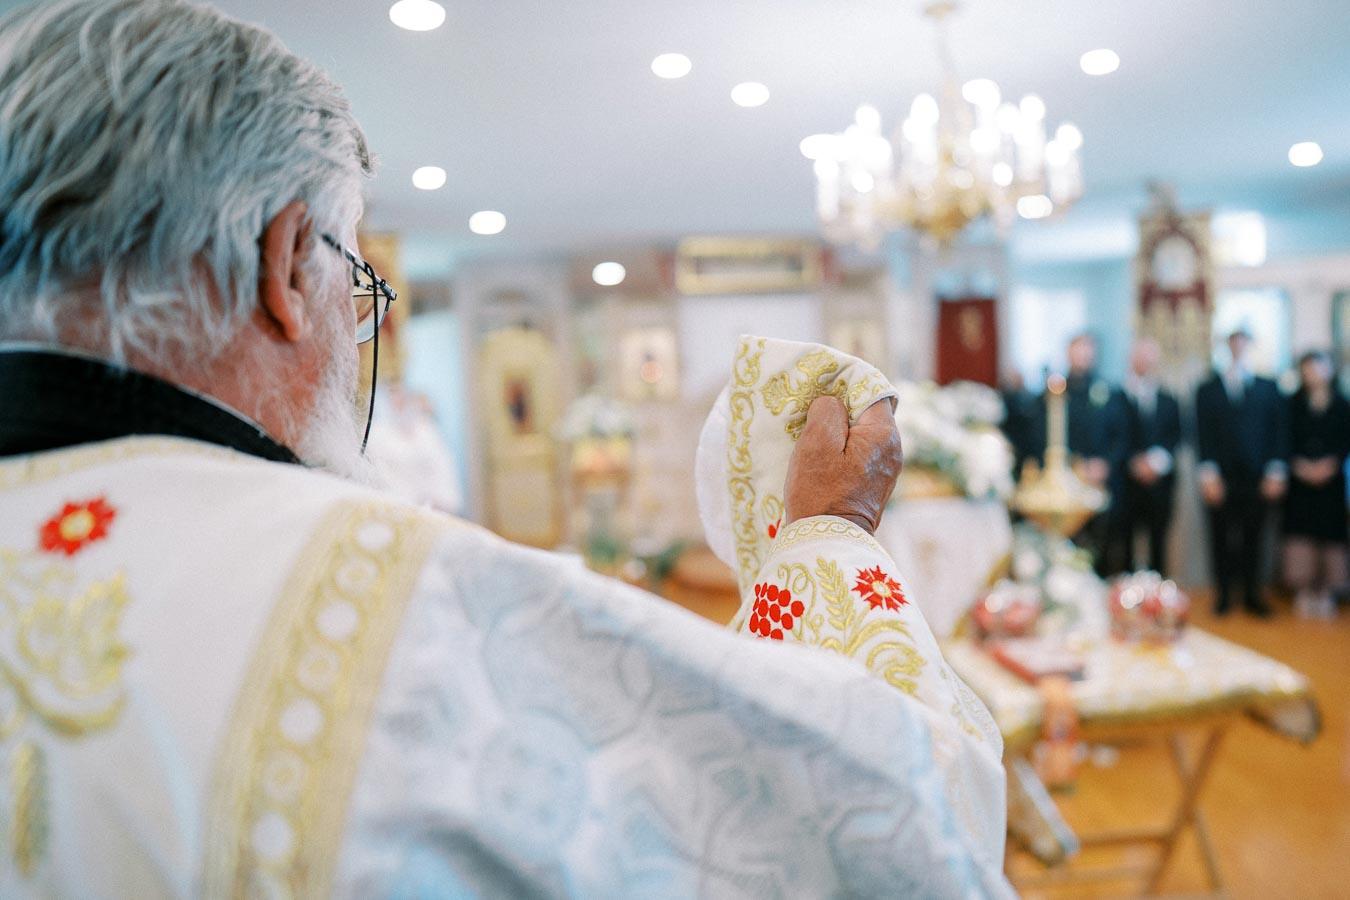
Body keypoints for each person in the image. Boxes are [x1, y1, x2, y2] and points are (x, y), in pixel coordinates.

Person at [0, 1, 1009, 897]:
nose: (358, 321)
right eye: (355, 275)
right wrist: (829, 541)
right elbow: (896, 818)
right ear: (284, 264)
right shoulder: (413, 612)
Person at [1195, 329, 1288, 616]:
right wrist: (1209, 476)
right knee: (1220, 537)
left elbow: (1279, 431)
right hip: (1220, 477)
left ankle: (1252, 594)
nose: (1239, 348)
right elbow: (1202, 434)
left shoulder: (1268, 387)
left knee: (1254, 537)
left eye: (1243, 343)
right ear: (1227, 347)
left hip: (1257, 477)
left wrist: (1276, 471)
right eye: (1234, 343)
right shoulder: (1207, 389)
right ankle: (1223, 594)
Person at [1032, 334, 1129, 573]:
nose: (1083, 355)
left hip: (1101, 483)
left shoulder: (1109, 391)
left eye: (1087, 349)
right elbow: (1045, 435)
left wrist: (1105, 464)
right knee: (1068, 550)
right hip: (1066, 483)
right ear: (1068, 353)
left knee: (1105, 546)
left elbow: (1122, 435)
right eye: (1078, 349)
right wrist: (1073, 465)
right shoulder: (1055, 393)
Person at [1282, 350, 1350, 618]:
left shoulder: (1342, 404)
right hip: (1300, 482)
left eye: (1317, 367)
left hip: (1331, 482)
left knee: (1330, 534)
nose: (1312, 374)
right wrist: (1299, 465)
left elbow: (1345, 440)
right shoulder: (1292, 404)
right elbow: (1284, 437)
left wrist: (1330, 465)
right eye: (1306, 369)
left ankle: (1328, 590)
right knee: (1301, 533)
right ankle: (1304, 588)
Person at [1107, 338, 1183, 575]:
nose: (1145, 362)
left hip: (1159, 484)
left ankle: (1158, 595)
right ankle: (1128, 597)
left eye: (1149, 357)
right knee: (1125, 543)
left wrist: (1156, 463)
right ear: (1131, 359)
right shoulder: (1115, 397)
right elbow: (1111, 435)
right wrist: (1133, 462)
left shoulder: (1169, 399)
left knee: (1158, 542)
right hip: (1126, 483)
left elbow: (1176, 435)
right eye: (1140, 356)